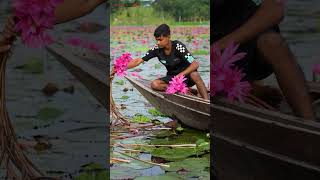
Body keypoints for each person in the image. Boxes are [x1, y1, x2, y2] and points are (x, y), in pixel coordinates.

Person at [212, 0, 315, 120]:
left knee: (272, 42)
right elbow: (194, 62)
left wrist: (219, 47)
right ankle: (251, 89)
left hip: (240, 37)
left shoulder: (183, 48)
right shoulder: (183, 47)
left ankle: (310, 123)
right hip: (213, 56)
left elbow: (275, 9)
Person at [119, 24, 209, 100]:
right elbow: (139, 60)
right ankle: (187, 90)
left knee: (195, 74)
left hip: (187, 77)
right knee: (155, 84)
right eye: (157, 40)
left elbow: (195, 64)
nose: (158, 43)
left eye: (160, 40)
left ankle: (206, 102)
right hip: (172, 77)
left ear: (168, 37)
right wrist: (120, 68)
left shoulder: (178, 46)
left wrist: (180, 75)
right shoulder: (156, 49)